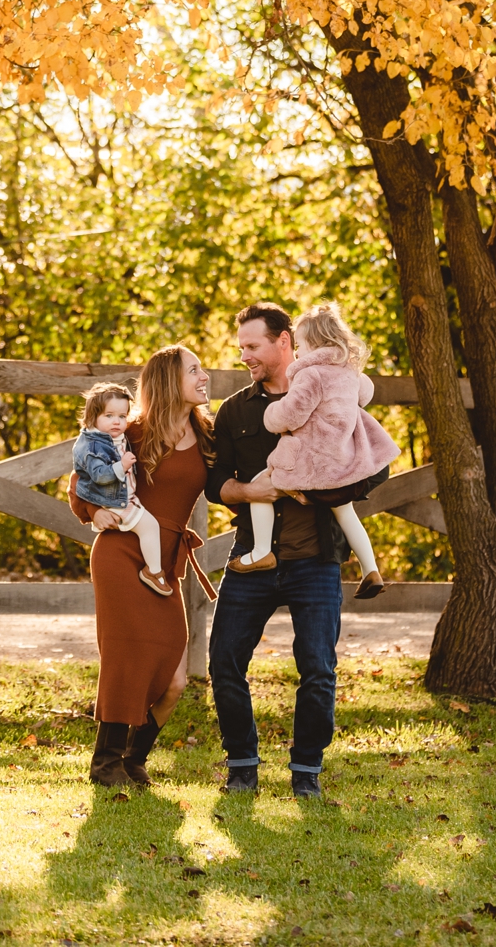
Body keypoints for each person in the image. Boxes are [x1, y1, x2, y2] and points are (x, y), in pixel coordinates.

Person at [206, 302, 351, 800]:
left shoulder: (332, 393)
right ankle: (242, 764)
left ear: (285, 340)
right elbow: (215, 484)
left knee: (317, 667)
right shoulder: (235, 411)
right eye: (241, 346)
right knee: (224, 660)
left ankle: (306, 770)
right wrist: (251, 492)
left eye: (253, 346)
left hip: (315, 560)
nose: (244, 354)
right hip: (252, 556)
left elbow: (367, 467)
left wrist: (315, 488)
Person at [69, 344, 217, 789]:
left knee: (174, 676)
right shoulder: (129, 431)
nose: (204, 375)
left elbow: (230, 483)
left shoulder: (208, 433)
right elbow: (81, 479)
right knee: (126, 657)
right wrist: (92, 513)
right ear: (171, 380)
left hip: (164, 563)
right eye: (194, 369)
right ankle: (105, 762)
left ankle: (134, 759)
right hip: (120, 553)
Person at [228, 304, 399, 596]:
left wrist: (270, 416)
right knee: (346, 515)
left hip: (311, 464)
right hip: (341, 466)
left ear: (315, 345)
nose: (297, 352)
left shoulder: (310, 375)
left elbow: (290, 415)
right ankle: (370, 569)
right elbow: (364, 395)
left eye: (301, 345)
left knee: (260, 487)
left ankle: (260, 552)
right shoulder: (349, 373)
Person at [72, 382, 170, 595]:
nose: (117, 421)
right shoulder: (92, 445)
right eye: (109, 416)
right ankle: (154, 572)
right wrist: (122, 465)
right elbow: (98, 475)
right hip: (113, 502)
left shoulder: (115, 435)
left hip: (124, 497)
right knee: (149, 527)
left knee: (149, 528)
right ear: (93, 417)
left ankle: (153, 569)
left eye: (122, 416)